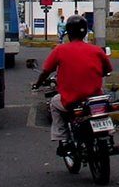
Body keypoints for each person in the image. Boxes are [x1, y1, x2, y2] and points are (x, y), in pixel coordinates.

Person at [32, 14, 113, 155]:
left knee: (53, 104)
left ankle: (62, 139)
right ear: (85, 32)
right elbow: (107, 70)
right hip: (94, 99)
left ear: (68, 33)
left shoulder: (60, 50)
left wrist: (37, 84)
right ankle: (109, 133)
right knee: (104, 106)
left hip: (71, 99)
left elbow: (46, 71)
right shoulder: (96, 50)